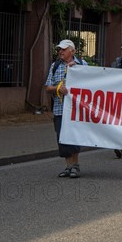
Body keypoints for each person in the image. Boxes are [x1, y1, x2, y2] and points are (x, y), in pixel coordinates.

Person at [44, 39, 87, 178]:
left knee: (74, 138)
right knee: (62, 139)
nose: (60, 52)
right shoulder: (55, 66)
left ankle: (75, 166)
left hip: (76, 110)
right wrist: (57, 88)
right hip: (59, 109)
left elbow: (91, 84)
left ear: (72, 51)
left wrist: (79, 70)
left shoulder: (82, 65)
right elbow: (47, 87)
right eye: (59, 49)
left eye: (63, 49)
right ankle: (68, 166)